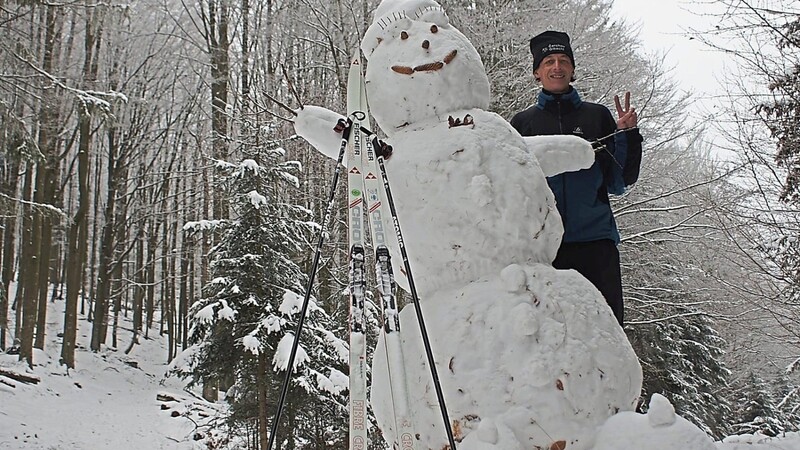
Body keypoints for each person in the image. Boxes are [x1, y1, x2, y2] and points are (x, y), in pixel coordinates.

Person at [510, 30, 643, 326]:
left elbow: (620, 181)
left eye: (563, 60)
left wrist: (627, 135)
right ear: (537, 72)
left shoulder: (597, 117)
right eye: (548, 62)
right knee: (552, 334)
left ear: (572, 70)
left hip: (596, 244)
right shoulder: (522, 124)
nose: (556, 67)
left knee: (607, 329)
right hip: (545, 248)